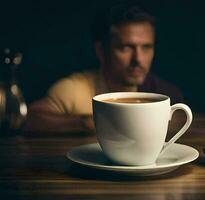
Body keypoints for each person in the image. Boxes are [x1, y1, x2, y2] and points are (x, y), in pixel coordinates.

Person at [23, 4, 184, 133]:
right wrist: (87, 124)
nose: (138, 59)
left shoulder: (166, 93)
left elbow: (181, 120)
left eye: (146, 47)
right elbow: (29, 119)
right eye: (126, 47)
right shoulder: (75, 89)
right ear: (101, 51)